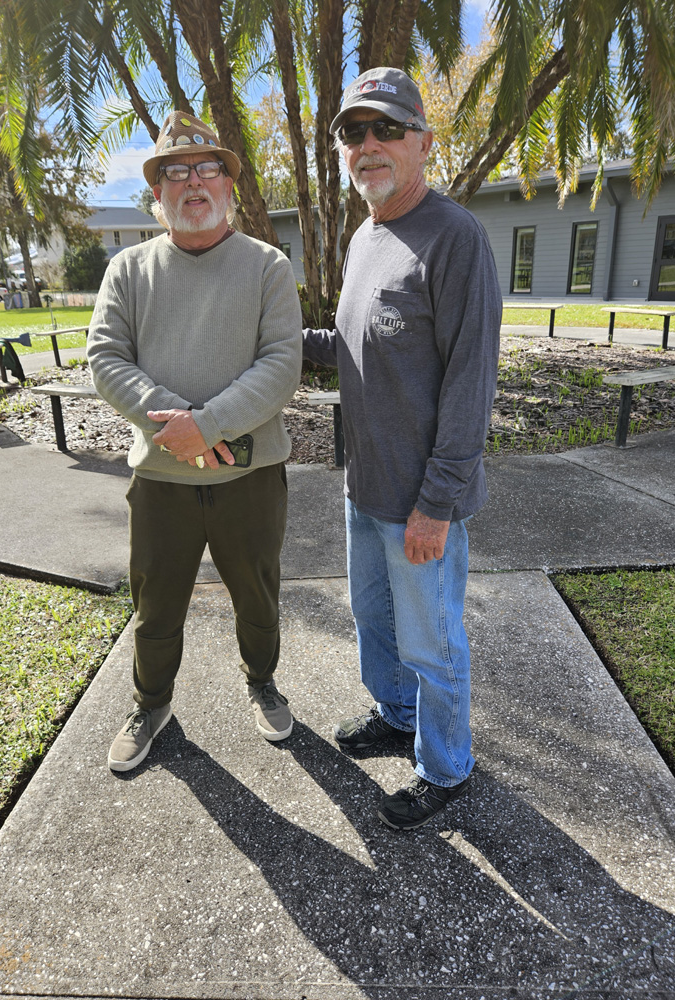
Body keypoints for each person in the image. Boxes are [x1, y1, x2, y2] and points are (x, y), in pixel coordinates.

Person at [304, 68, 502, 830]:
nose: (369, 144)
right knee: (374, 619)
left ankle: (446, 767)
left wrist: (436, 504)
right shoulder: (366, 237)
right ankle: (396, 714)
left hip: (422, 499)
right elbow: (355, 344)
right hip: (366, 486)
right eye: (354, 132)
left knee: (432, 641)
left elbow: (469, 382)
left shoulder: (455, 238)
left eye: (387, 128)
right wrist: (284, 342)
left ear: (424, 141)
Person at [87, 112, 302, 772]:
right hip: (161, 483)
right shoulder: (128, 269)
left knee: (258, 598)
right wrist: (179, 426)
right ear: (157, 193)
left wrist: (205, 428)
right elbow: (105, 358)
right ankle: (151, 704)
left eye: (208, 169)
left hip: (249, 479)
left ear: (229, 185)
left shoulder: (267, 266)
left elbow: (281, 364)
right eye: (176, 173)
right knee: (154, 608)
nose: (193, 183)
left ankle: (262, 682)